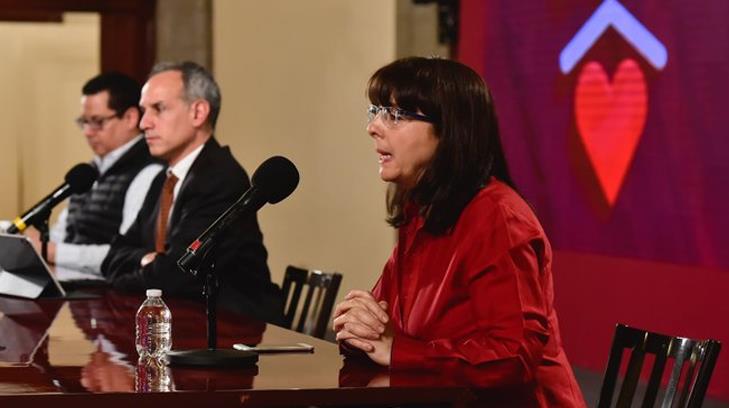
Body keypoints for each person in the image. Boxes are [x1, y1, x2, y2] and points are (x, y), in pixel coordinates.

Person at [332, 57, 586, 406]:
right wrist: (357, 329)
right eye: (375, 111)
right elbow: (382, 324)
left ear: (450, 130)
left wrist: (397, 351)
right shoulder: (422, 211)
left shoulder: (498, 217)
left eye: (395, 114)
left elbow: (513, 356)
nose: (373, 127)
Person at [101, 61, 283, 323]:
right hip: (180, 322)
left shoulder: (220, 177)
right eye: (143, 111)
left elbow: (176, 274)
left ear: (198, 112)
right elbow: (113, 257)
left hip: (234, 328)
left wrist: (149, 264)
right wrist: (146, 259)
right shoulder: (163, 180)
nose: (144, 123)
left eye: (158, 109)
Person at [25, 72, 162, 274]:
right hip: (72, 287)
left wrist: (53, 252)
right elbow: (64, 232)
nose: (88, 132)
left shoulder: (150, 171)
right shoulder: (88, 172)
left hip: (111, 296)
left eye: (97, 121)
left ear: (131, 118)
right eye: (84, 122)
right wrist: (29, 243)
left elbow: (126, 252)